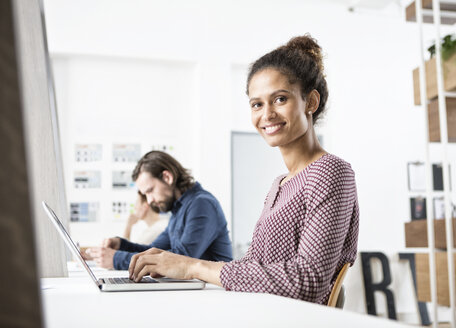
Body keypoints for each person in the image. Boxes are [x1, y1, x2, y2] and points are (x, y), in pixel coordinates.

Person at [128, 35, 359, 305]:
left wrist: (193, 267)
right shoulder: (280, 184)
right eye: (257, 104)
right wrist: (179, 267)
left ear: (311, 102)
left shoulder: (330, 171)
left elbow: (306, 281)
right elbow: (253, 263)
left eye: (280, 99)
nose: (267, 114)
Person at [87, 151, 233, 270]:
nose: (149, 200)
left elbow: (183, 259)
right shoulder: (179, 209)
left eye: (150, 191)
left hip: (213, 294)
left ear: (167, 177)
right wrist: (121, 245)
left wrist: (116, 259)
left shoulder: (201, 204)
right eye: (145, 194)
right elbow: (152, 250)